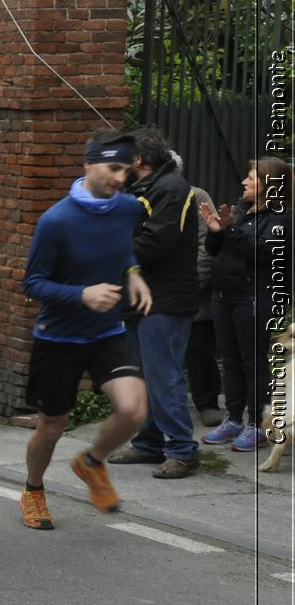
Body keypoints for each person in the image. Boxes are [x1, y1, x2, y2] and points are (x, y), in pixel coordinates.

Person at [18, 131, 153, 529]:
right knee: (52, 425)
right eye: (113, 168)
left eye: (126, 171)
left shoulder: (128, 208)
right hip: (58, 337)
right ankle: (33, 490)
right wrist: (82, 294)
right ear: (88, 165)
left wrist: (133, 273)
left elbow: (122, 246)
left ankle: (92, 462)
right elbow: (32, 284)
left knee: (134, 409)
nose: (120, 178)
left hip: (106, 332)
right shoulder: (55, 221)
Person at [106, 128, 201, 477]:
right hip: (137, 299)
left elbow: (157, 242)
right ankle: (149, 444)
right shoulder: (137, 188)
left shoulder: (174, 189)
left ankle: (182, 449)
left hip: (166, 300)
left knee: (164, 376)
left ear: (138, 160)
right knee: (140, 375)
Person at [200, 156, 293, 451]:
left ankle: (258, 424)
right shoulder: (240, 211)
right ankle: (234, 419)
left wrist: (229, 231)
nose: (244, 182)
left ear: (269, 185)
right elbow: (216, 250)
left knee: (252, 361)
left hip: (255, 295)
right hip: (224, 294)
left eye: (251, 178)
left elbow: (263, 252)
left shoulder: (281, 217)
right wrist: (216, 230)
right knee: (230, 360)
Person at [184, 184, 224, 428]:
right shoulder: (142, 196)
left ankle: (208, 403)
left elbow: (206, 245)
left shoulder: (197, 197)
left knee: (199, 349)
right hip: (159, 290)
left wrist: (193, 284)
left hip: (194, 293)